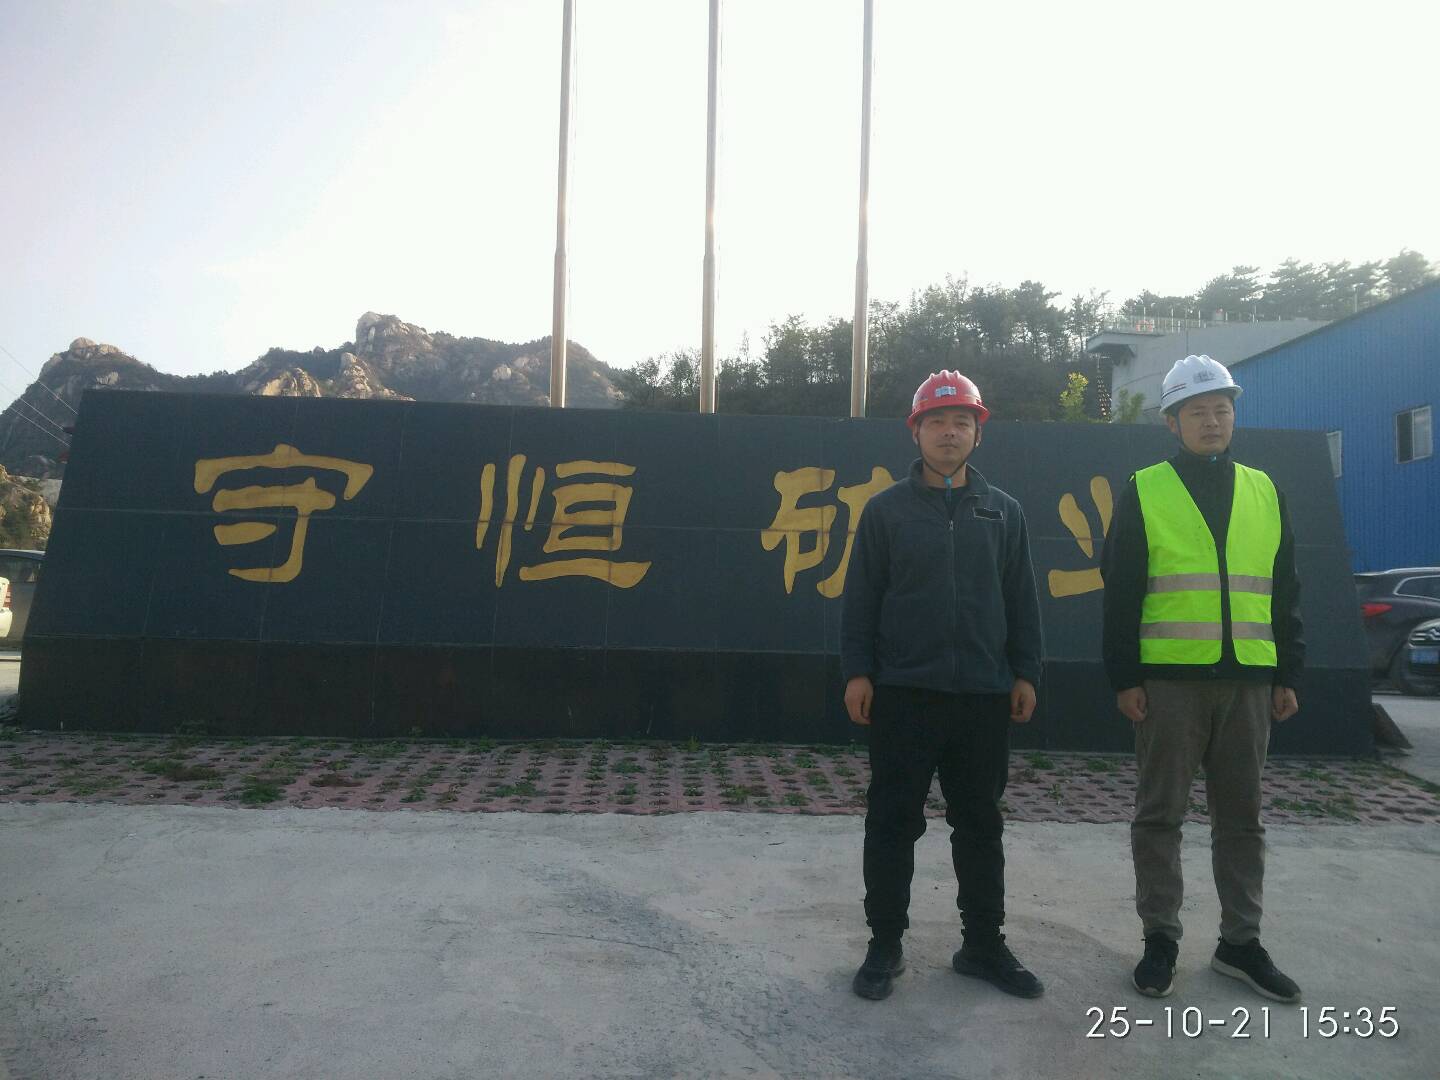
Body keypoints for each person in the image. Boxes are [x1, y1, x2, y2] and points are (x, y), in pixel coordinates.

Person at [1101, 354, 1304, 1003]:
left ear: (1233, 415)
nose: (1212, 421)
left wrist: (1286, 671)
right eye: (1197, 411)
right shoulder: (1146, 489)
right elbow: (1121, 589)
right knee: (1159, 815)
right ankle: (1160, 938)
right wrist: (1125, 677)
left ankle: (1240, 943)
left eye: (1221, 409)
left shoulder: (1264, 490)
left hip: (1249, 683)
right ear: (1172, 422)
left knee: (1242, 819)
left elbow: (1284, 589)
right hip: (1169, 686)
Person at [840, 370, 1045, 1002]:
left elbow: (1022, 599)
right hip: (903, 693)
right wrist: (857, 671)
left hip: (983, 695)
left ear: (979, 432)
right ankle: (885, 943)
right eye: (937, 421)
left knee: (980, 824)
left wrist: (1025, 672)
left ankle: (983, 944)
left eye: (962, 422)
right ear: (916, 432)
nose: (949, 432)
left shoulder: (1003, 512)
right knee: (892, 821)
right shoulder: (886, 511)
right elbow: (862, 598)